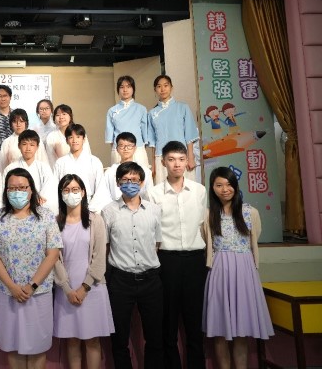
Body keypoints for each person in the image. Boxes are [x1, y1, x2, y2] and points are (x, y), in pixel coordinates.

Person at [0, 168, 63, 369]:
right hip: (6, 292)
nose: (17, 192)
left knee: (38, 346)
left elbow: (52, 254)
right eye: (12, 188)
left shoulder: (46, 216)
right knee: (13, 345)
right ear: (6, 191)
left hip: (38, 292)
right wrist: (12, 286)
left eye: (22, 187)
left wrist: (32, 285)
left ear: (31, 190)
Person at [202, 167, 273, 369]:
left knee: (242, 332)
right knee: (220, 330)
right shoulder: (209, 215)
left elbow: (255, 235)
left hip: (244, 271)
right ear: (212, 188)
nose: (225, 189)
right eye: (219, 185)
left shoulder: (250, 212)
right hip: (219, 271)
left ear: (235, 185)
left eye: (229, 184)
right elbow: (206, 239)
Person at [148, 140, 208, 369]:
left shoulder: (199, 191)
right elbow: (152, 230)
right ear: (163, 162)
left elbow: (202, 224)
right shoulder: (153, 193)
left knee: (195, 323)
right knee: (168, 323)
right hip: (167, 261)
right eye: (171, 160)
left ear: (186, 162)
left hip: (195, 261)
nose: (177, 164)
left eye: (182, 159)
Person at [102, 161, 163, 369]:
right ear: (118, 183)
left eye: (134, 180)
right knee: (119, 340)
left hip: (151, 280)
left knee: (155, 338)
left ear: (142, 182)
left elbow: (157, 243)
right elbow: (106, 246)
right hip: (120, 281)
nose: (130, 183)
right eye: (125, 180)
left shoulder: (154, 210)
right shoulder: (108, 211)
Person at [53, 174, 114, 369]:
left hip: (92, 288)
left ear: (83, 192)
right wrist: (67, 288)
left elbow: (100, 257)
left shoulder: (96, 220)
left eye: (75, 189)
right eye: (66, 190)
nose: (71, 194)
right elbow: (53, 259)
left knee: (92, 340)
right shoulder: (54, 223)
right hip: (66, 289)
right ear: (61, 194)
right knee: (72, 340)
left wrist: (84, 287)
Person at [147, 75, 199, 184]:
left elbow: (189, 134)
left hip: (181, 155)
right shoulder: (152, 113)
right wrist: (154, 164)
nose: (162, 89)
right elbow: (153, 142)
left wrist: (190, 157)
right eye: (159, 86)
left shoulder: (183, 107)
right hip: (161, 158)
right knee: (163, 189)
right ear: (155, 90)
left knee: (186, 188)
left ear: (171, 87)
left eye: (166, 85)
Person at [53, 124, 108, 211]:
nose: (74, 140)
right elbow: (55, 187)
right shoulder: (60, 163)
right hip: (66, 206)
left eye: (78, 137)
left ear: (84, 139)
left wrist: (91, 209)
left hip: (89, 205)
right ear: (66, 140)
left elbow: (100, 188)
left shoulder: (94, 161)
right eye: (71, 137)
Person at [2, 129, 57, 208]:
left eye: (32, 145)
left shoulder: (44, 168)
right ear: (19, 146)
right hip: (15, 208)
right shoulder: (10, 169)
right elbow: (5, 192)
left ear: (37, 147)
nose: (28, 148)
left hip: (39, 208)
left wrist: (37, 200)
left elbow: (49, 191)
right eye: (24, 144)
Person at [105, 75, 149, 167]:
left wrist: (140, 148)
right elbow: (110, 137)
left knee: (141, 174)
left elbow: (145, 133)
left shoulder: (141, 109)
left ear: (133, 89)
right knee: (119, 174)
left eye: (128, 86)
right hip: (119, 150)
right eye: (122, 87)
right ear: (118, 90)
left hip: (138, 149)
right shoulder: (112, 111)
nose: (125, 90)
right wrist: (117, 149)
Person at [103, 132, 152, 202]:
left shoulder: (145, 171)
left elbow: (149, 195)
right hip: (115, 207)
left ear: (135, 148)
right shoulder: (109, 172)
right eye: (121, 146)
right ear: (117, 149)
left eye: (129, 146)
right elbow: (104, 196)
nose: (125, 149)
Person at [0, 108, 49, 173]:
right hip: (14, 175)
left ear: (26, 123)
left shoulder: (36, 139)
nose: (18, 124)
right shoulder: (7, 142)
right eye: (15, 122)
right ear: (11, 124)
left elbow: (44, 160)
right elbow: (2, 166)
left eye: (21, 121)